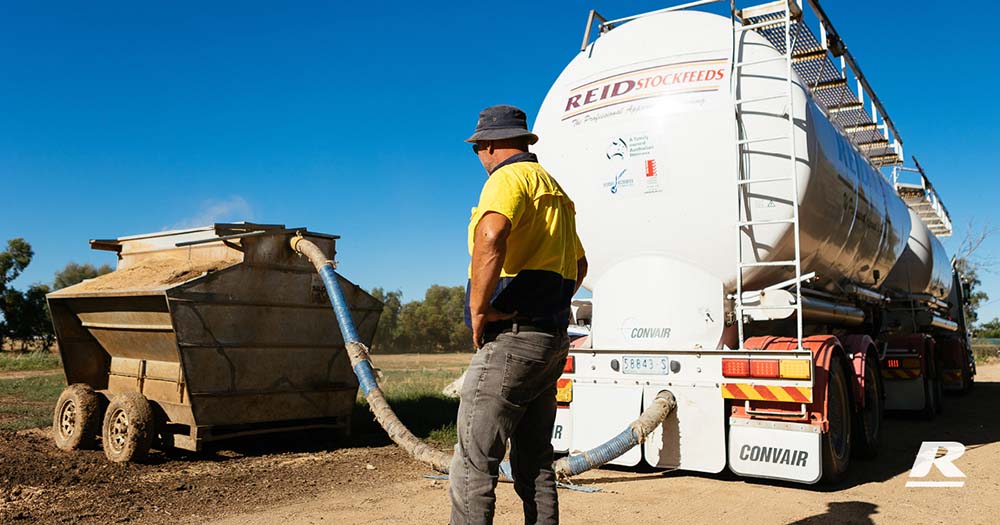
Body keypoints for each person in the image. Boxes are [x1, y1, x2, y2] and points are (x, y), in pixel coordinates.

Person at [449, 105, 587, 525]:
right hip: (550, 340)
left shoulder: (506, 178)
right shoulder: (554, 190)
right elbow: (580, 266)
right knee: (535, 461)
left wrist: (479, 310)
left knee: (474, 462)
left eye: (478, 150)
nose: (479, 158)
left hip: (513, 339)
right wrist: (548, 302)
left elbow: (491, 233)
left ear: (488, 146)